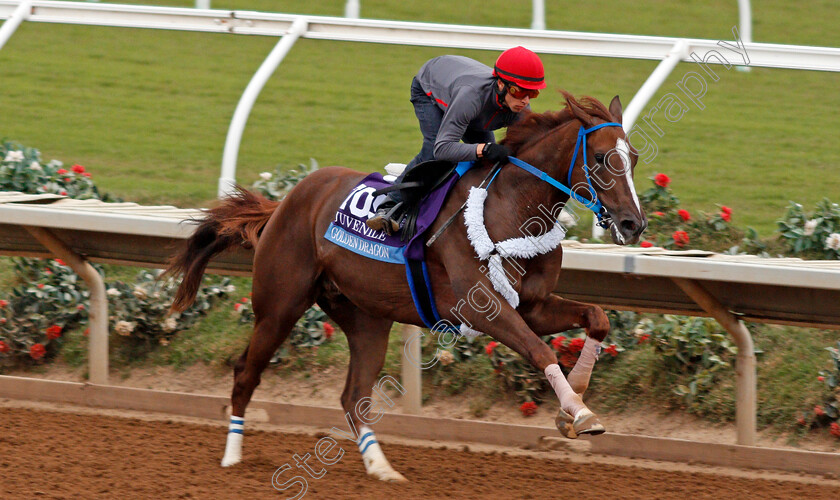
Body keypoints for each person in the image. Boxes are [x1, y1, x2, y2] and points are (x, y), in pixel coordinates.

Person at [366, 46, 547, 234]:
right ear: (501, 84)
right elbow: (443, 148)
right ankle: (389, 205)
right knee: (433, 152)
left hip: (470, 104)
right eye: (519, 92)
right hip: (429, 89)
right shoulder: (471, 97)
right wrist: (483, 149)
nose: (525, 100)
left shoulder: (519, 106)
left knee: (487, 163)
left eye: (532, 94)